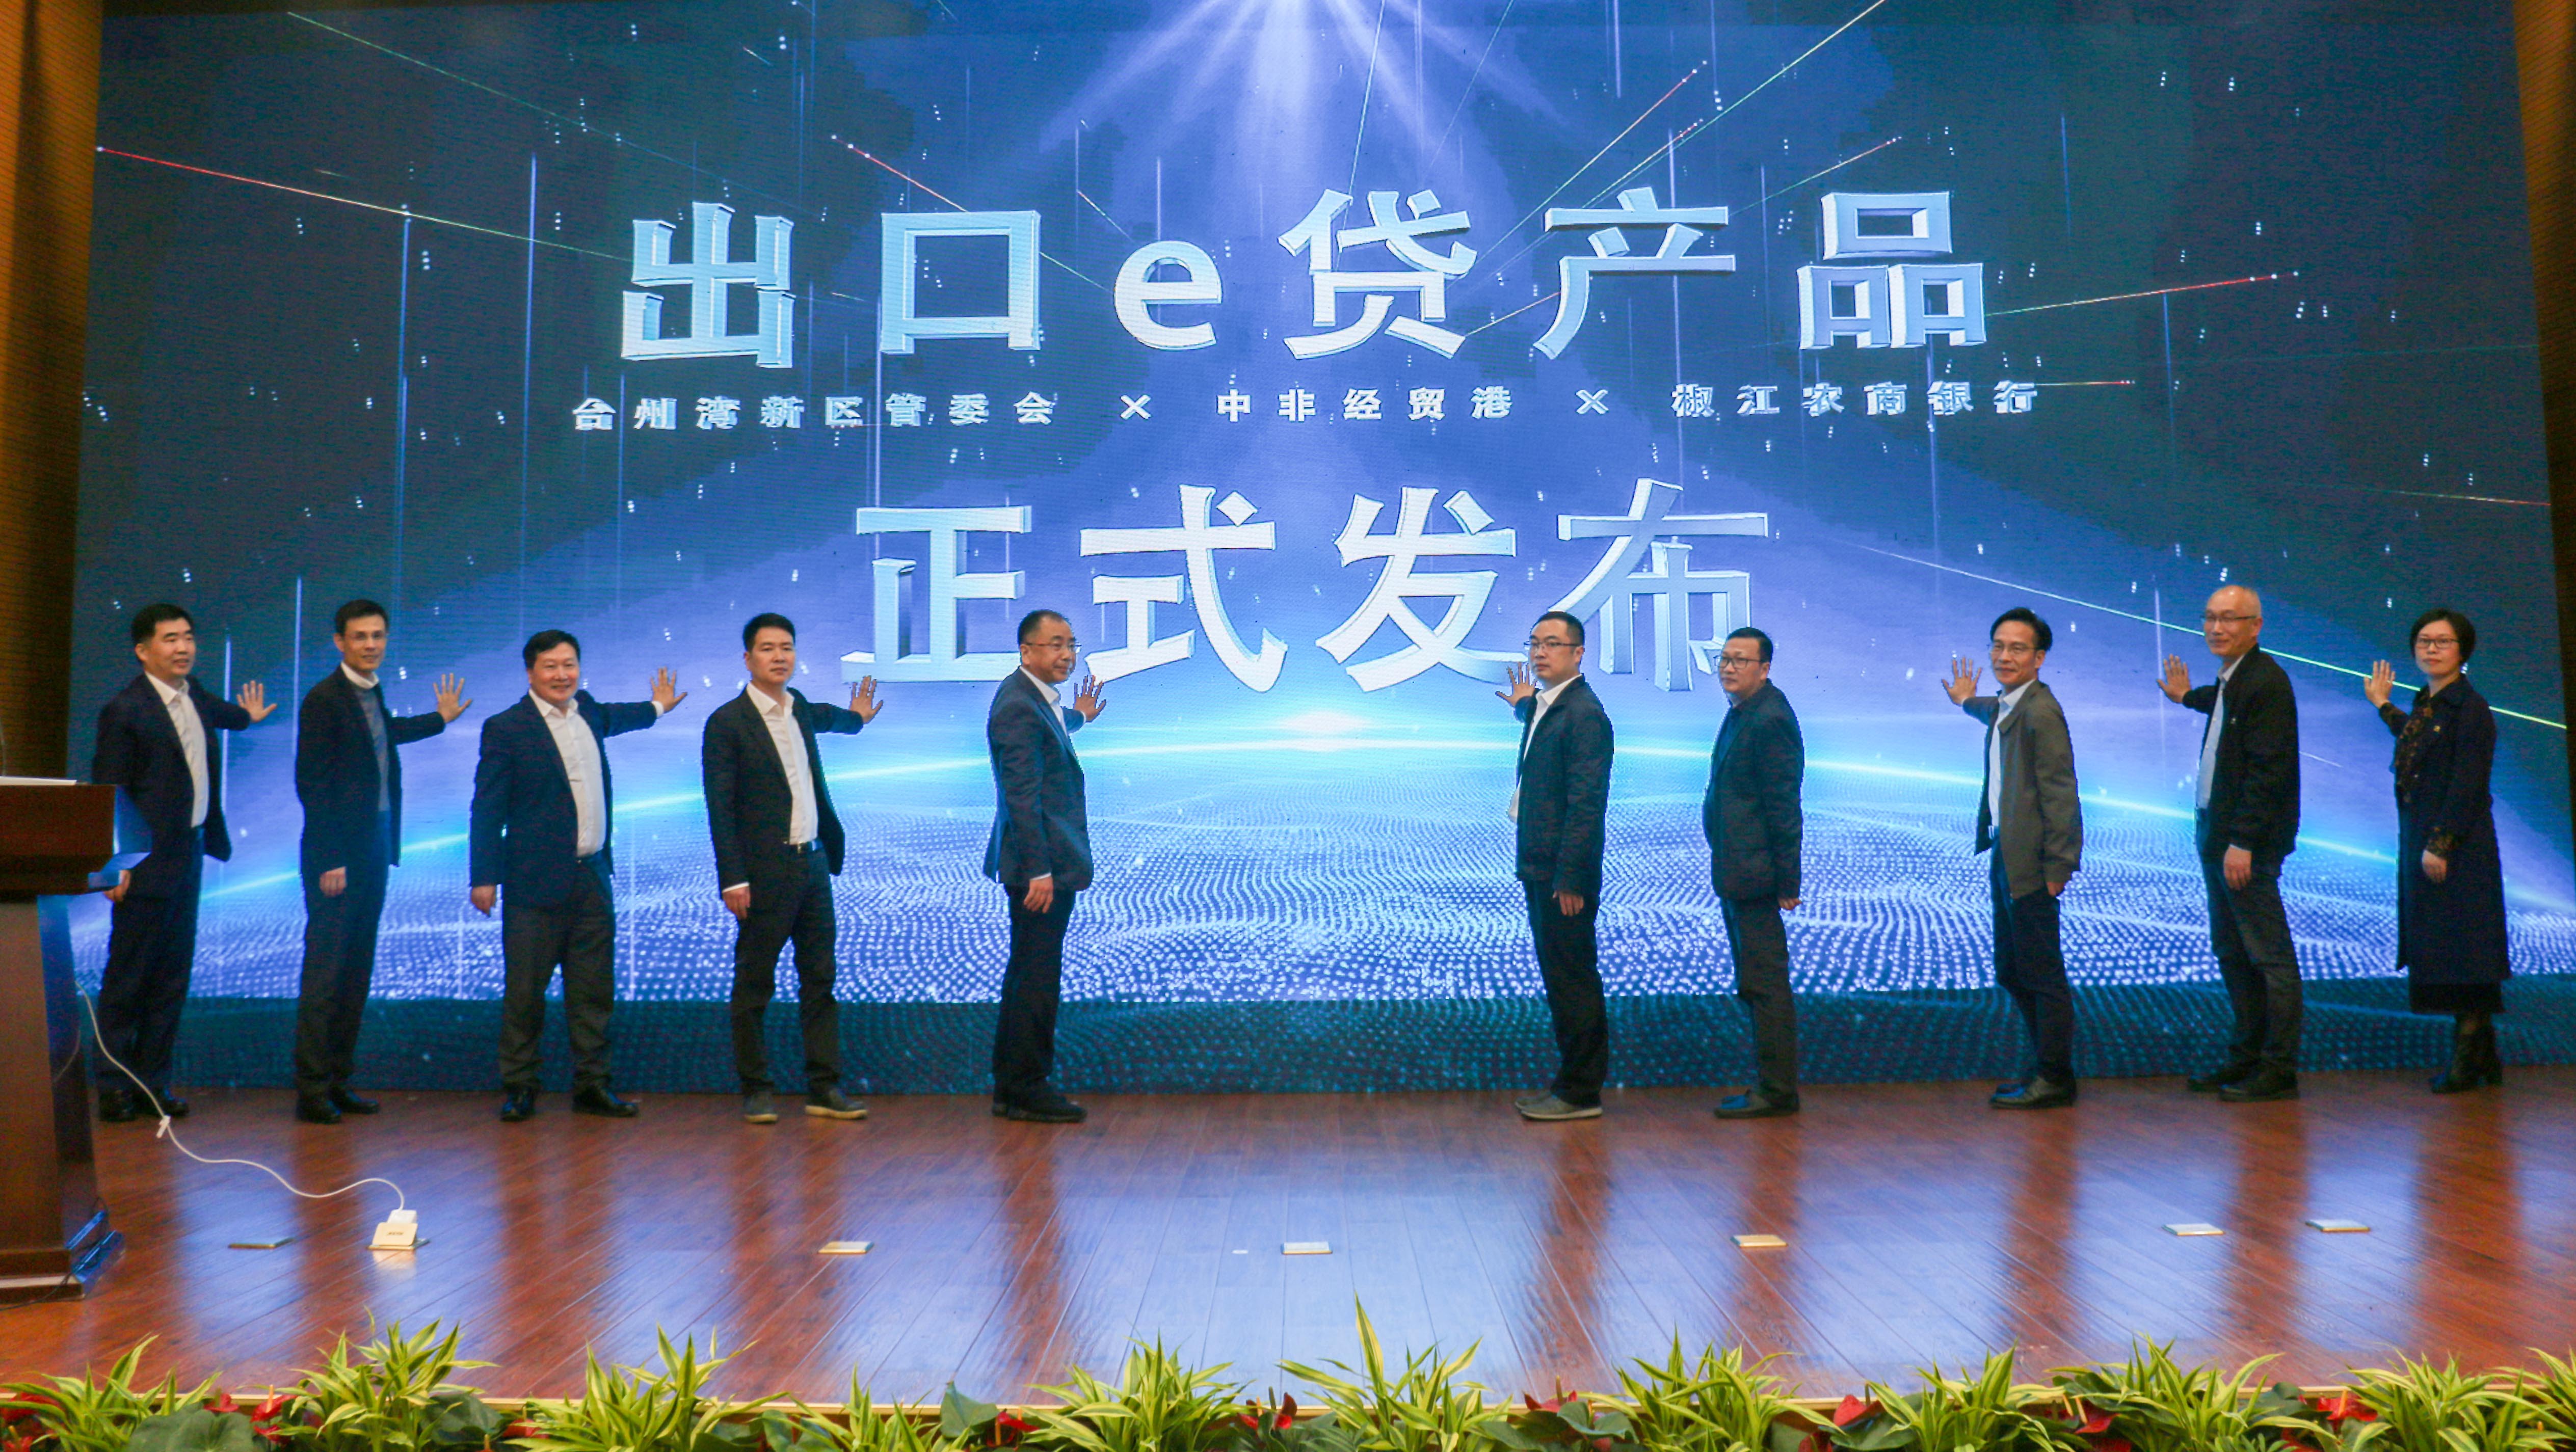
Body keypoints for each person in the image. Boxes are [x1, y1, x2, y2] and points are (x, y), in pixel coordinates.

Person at [470, 629, 684, 1122]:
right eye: (550, 666)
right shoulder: (506, 728)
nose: (562, 675)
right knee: (525, 995)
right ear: (530, 672)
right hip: (533, 884)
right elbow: (487, 808)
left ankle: (593, 1086)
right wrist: (484, 876)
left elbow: (621, 716)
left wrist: (658, 707)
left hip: (592, 878)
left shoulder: (587, 710)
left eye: (569, 665)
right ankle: (521, 1087)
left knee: (592, 993)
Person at [89, 603, 277, 1122]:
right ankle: (114, 1086)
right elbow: (109, 791)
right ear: (143, 650)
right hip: (143, 863)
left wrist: (248, 716)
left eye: (188, 637)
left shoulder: (194, 695)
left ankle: (153, 1083)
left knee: (171, 977)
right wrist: (114, 864)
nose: (183, 648)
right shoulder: (126, 710)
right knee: (130, 978)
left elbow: (225, 715)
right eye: (170, 639)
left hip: (189, 855)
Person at [289, 599, 469, 1124]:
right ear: (340, 642)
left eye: (378, 636)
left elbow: (386, 735)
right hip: (338, 858)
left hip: (374, 849)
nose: (371, 645)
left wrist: (440, 720)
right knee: (326, 974)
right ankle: (312, 1090)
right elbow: (312, 782)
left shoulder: (370, 691)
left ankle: (338, 1081)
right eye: (360, 636)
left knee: (355, 971)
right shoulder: (324, 699)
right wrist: (331, 857)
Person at [703, 612, 882, 1125]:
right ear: (748, 658)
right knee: (754, 985)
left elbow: (828, 717)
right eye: (767, 648)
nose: (779, 656)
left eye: (786, 647)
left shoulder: (797, 706)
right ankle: (756, 1089)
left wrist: (858, 719)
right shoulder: (727, 723)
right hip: (763, 873)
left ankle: (824, 1088)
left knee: (819, 981)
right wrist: (733, 878)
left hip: (814, 865)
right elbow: (720, 808)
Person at [2161, 584, 2303, 1103]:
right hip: (2217, 836)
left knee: (2267, 957)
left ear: (2255, 626)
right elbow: (2225, 710)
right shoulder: (2235, 680)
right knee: (2233, 952)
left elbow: (2268, 770)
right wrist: (2186, 697)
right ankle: (2246, 1059)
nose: (2216, 628)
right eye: (2210, 617)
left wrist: (2243, 841)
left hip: (2243, 845)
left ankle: (2277, 1068)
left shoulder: (2266, 681)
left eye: (2229, 619)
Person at [1943, 607, 2084, 1109]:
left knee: (2040, 973)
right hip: (2006, 851)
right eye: (1998, 646)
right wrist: (1966, 701)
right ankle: (2042, 1067)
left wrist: (2059, 865)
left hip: (2033, 863)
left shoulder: (2041, 712)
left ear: (2039, 658)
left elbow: (2061, 792)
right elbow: (1993, 712)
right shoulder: (2009, 705)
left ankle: (2054, 1077)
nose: (2004, 656)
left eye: (2017, 649)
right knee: (2012, 969)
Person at [2365, 608, 2510, 1092]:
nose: (2431, 649)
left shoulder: (2470, 708)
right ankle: (2483, 1057)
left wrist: (2440, 844)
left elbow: (2469, 784)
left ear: (2462, 651)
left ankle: (2468, 1059)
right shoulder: (2428, 701)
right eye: (2424, 640)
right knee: (2450, 949)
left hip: (2458, 848)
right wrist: (2383, 706)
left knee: (2465, 952)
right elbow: (2419, 742)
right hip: (2427, 841)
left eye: (2442, 641)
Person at [983, 609, 1106, 1124]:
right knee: (1035, 979)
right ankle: (1025, 1088)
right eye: (1055, 644)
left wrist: (1079, 717)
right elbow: (1022, 796)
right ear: (1026, 650)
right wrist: (1039, 872)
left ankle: (1014, 1086)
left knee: (1029, 974)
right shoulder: (1018, 705)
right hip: (1041, 869)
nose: (1067, 654)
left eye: (1071, 644)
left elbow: (1050, 731)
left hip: (1045, 864)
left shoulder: (1035, 700)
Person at [1495, 610, 1615, 1122]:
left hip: (1561, 876)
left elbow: (1586, 805)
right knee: (1560, 977)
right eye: (1535, 643)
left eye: (1552, 644)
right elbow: (1544, 732)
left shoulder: (1585, 714)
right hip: (1541, 865)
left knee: (1572, 979)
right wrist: (1524, 706)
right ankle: (1571, 1085)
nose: (1540, 652)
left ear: (1578, 653)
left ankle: (1581, 1092)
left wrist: (1571, 878)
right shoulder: (1552, 706)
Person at [1705, 625, 1805, 1120]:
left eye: (1740, 660)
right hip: (1737, 872)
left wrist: (1788, 881)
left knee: (1765, 985)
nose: (1728, 667)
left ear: (1764, 669)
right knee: (1755, 982)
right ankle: (1771, 1085)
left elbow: (1783, 806)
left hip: (1757, 877)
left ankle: (1778, 1091)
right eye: (1724, 659)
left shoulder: (1770, 720)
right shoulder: (1744, 711)